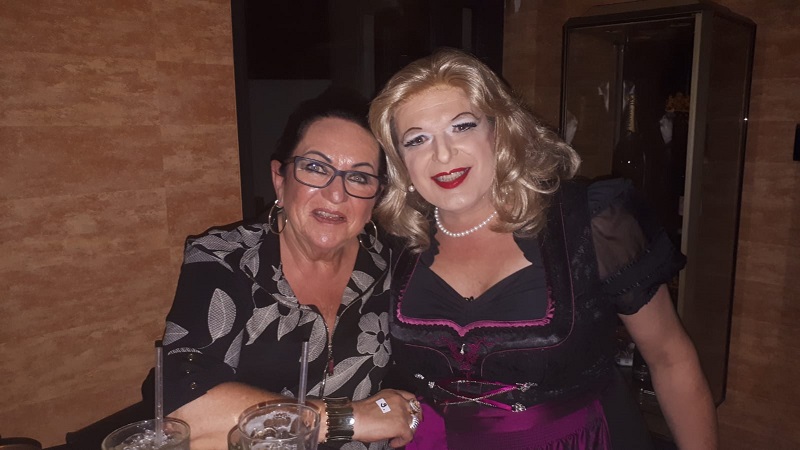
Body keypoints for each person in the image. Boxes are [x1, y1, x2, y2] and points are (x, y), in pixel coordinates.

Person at [369, 48, 718, 449]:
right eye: (417, 139)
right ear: (400, 160)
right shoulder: (394, 243)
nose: (443, 154)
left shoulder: (591, 220)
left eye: (462, 126)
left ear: (499, 130)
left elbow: (671, 358)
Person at [161, 88, 422, 450]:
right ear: (280, 181)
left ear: (376, 197)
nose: (336, 194)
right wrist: (351, 418)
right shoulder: (223, 258)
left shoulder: (391, 263)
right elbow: (185, 415)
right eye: (315, 168)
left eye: (359, 177)